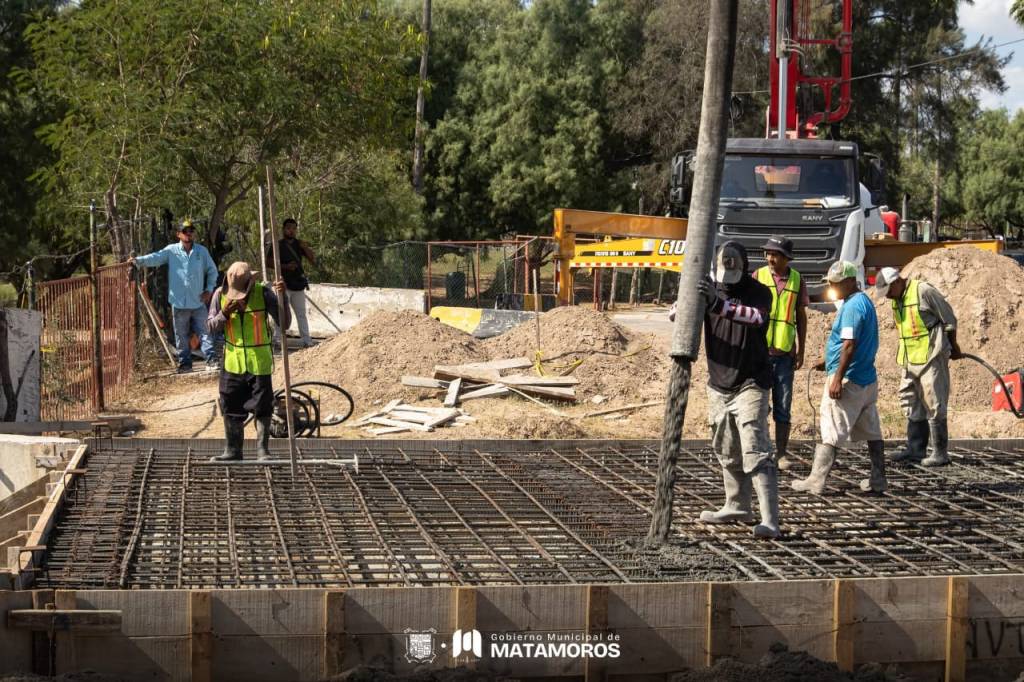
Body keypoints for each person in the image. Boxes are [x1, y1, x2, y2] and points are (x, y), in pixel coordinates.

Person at [697, 241, 780, 539]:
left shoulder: (760, 293)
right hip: (719, 382)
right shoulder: (711, 289)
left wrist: (718, 305)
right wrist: (690, 298)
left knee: (755, 450)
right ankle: (737, 505)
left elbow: (756, 318)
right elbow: (674, 315)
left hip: (751, 382)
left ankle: (770, 520)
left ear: (744, 267)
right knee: (726, 447)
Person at [792, 261, 886, 494]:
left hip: (849, 381)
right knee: (871, 430)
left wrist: (837, 378)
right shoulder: (863, 301)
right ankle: (878, 479)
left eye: (836, 283)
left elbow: (849, 345)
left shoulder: (853, 307)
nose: (832, 287)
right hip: (866, 379)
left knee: (831, 430)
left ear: (850, 281)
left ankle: (816, 480)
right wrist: (829, 362)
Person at [875, 267, 962, 466]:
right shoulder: (897, 299)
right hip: (909, 358)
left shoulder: (923, 291)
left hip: (931, 356)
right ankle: (916, 449)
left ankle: (940, 453)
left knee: (934, 402)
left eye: (888, 290)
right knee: (910, 401)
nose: (887, 296)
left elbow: (949, 320)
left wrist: (954, 347)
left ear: (897, 281)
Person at [206, 261, 289, 462]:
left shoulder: (264, 293)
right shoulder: (220, 295)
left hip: (258, 362)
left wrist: (282, 298)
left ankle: (263, 451)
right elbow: (210, 327)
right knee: (230, 403)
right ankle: (233, 450)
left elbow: (284, 323)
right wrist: (225, 313)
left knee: (262, 405)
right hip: (232, 362)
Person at [130, 219, 219, 373]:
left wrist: (209, 289)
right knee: (181, 335)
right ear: (178, 234)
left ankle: (211, 360)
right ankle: (185, 364)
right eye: (185, 231)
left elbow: (212, 271)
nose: (189, 234)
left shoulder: (201, 252)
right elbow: (155, 258)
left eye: (191, 230)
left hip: (197, 301)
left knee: (205, 332)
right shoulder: (171, 251)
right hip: (179, 302)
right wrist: (138, 261)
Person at [753, 237, 808, 471]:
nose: (770, 259)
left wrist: (801, 348)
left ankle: (781, 454)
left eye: (775, 254)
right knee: (758, 404)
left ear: (786, 258)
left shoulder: (797, 280)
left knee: (783, 405)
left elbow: (800, 316)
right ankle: (761, 450)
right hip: (760, 352)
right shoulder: (758, 276)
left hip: (784, 353)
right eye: (768, 254)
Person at [267, 218, 317, 348]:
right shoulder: (277, 244)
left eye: (294, 228)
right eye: (289, 228)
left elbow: (312, 260)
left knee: (301, 314)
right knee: (280, 313)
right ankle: (277, 340)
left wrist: (305, 248)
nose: (291, 231)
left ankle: (307, 340)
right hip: (283, 285)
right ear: (284, 229)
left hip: (298, 284)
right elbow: (269, 262)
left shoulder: (299, 244)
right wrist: (286, 267)